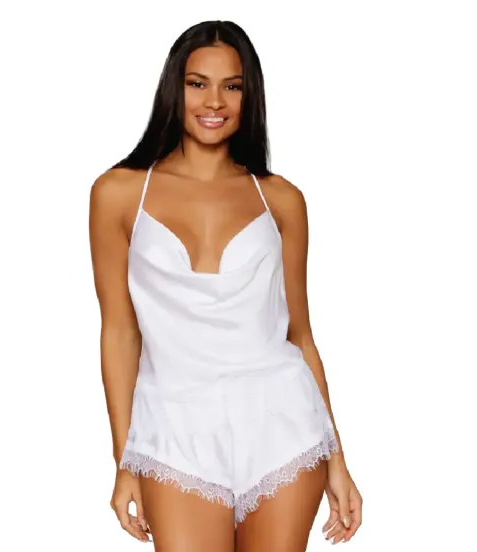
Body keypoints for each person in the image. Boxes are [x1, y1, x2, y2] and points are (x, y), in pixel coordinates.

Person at [89, 19, 362, 551]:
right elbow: (119, 332)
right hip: (173, 429)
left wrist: (337, 460)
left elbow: (300, 336)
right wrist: (125, 460)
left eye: (231, 86)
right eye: (198, 83)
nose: (214, 101)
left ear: (248, 95)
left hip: (283, 424)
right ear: (174, 88)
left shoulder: (281, 199)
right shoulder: (118, 194)